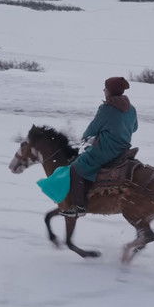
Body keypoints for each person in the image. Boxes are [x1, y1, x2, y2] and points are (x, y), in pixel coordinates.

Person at [62, 77, 138, 218]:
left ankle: (79, 206)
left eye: (105, 88)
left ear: (110, 91)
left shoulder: (107, 108)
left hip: (106, 150)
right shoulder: (131, 109)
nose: (104, 90)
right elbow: (135, 128)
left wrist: (84, 137)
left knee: (76, 167)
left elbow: (93, 129)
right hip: (124, 149)